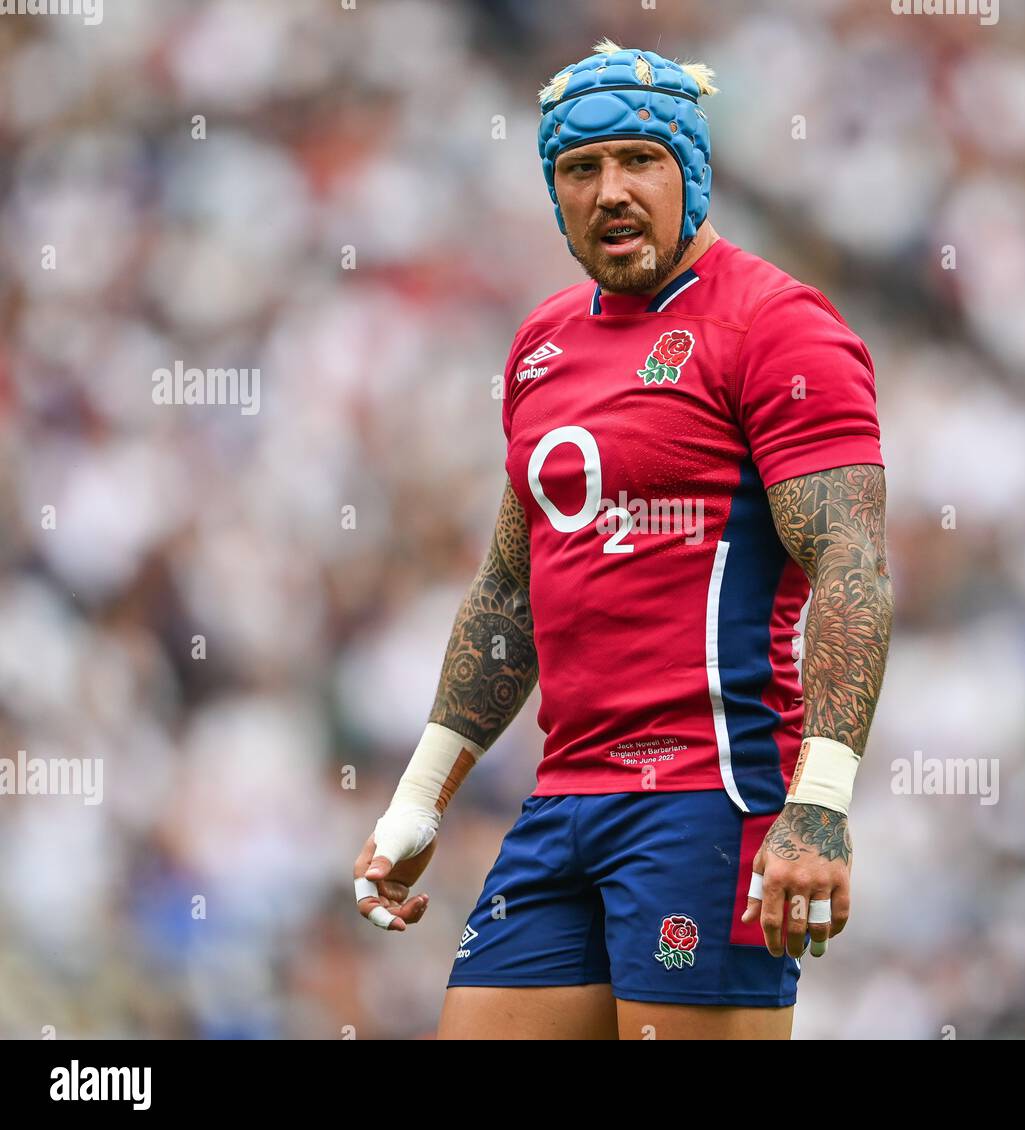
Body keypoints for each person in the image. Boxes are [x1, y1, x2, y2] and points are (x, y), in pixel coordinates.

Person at [352, 39, 892, 1040]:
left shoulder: (780, 327)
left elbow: (850, 565)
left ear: (692, 169)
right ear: (552, 192)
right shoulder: (540, 343)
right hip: (562, 800)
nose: (610, 190)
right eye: (579, 168)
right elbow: (511, 593)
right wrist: (420, 798)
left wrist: (819, 800)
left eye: (640, 159)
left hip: (707, 795)